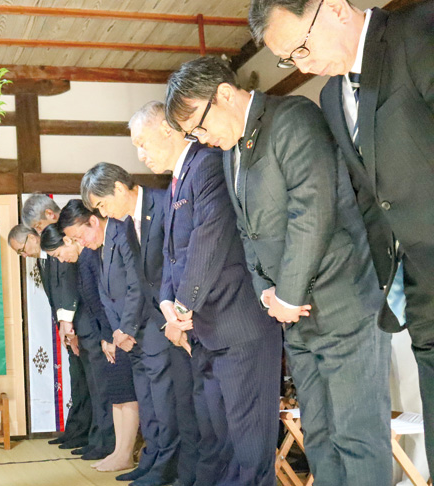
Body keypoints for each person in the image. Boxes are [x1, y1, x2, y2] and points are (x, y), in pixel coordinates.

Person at [165, 56, 392, 486]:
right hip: (293, 315)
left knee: (357, 435)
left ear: (224, 95)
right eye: (194, 135)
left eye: (200, 126)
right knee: (319, 435)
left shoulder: (292, 118)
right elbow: (247, 232)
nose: (203, 139)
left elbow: (313, 210)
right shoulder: (231, 152)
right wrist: (266, 289)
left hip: (342, 301)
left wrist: (286, 293)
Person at [249, 0, 434, 471]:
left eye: (302, 47)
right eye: (289, 59)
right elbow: (371, 201)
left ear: (333, 8)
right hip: (422, 294)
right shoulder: (333, 96)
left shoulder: (420, 31)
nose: (302, 64)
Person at [130, 100, 282, 486]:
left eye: (142, 143)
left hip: (238, 324)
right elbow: (172, 254)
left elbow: (208, 241)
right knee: (218, 439)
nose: (140, 155)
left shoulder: (208, 164)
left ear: (168, 130)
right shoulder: (177, 180)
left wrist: (183, 305)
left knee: (248, 446)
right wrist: (167, 300)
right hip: (206, 332)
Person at [60, 199, 177, 486]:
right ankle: (150, 460)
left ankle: (163, 465)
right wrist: (113, 332)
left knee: (161, 404)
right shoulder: (97, 248)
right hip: (122, 335)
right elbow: (103, 296)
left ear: (93, 221)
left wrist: (124, 329)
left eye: (79, 236)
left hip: (144, 329)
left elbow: (136, 285)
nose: (80, 243)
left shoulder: (120, 234)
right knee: (147, 403)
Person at [40, 224, 123, 467]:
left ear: (67, 240)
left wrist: (105, 334)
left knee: (103, 390)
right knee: (94, 390)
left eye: (58, 254)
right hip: (89, 330)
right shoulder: (78, 257)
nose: (61, 261)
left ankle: (107, 442)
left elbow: (96, 297)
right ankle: (97, 439)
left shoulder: (87, 255)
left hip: (97, 329)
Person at [7, 222, 92, 451]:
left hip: (80, 326)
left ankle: (88, 435)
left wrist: (70, 329)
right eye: (19, 254)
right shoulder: (43, 260)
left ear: (32, 237)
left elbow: (69, 291)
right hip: (67, 330)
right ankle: (75, 430)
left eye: (22, 249)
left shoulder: (58, 255)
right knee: (77, 382)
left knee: (88, 383)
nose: (24, 255)